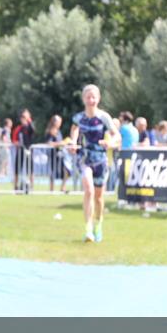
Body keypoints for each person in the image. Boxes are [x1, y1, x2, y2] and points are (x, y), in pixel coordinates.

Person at [69, 85, 117, 242]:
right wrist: (73, 143)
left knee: (98, 197)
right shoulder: (78, 118)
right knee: (88, 190)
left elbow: (117, 137)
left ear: (98, 99)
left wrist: (110, 143)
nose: (91, 100)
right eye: (88, 97)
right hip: (85, 158)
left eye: (93, 97)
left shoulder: (104, 117)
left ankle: (98, 224)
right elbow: (75, 129)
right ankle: (88, 229)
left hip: (101, 160)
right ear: (83, 99)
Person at [44, 114, 71, 193]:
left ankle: (63, 188)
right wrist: (60, 143)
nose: (60, 123)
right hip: (53, 155)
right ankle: (51, 189)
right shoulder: (50, 131)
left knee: (67, 171)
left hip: (60, 154)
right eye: (59, 122)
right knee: (52, 172)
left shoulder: (58, 132)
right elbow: (49, 143)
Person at [12, 108, 34, 193]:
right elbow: (14, 139)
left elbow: (33, 130)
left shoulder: (30, 126)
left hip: (29, 150)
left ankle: (31, 187)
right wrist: (16, 143)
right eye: (22, 117)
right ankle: (15, 186)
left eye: (25, 117)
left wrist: (29, 119)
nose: (23, 119)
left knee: (30, 169)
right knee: (17, 168)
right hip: (20, 150)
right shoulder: (18, 128)